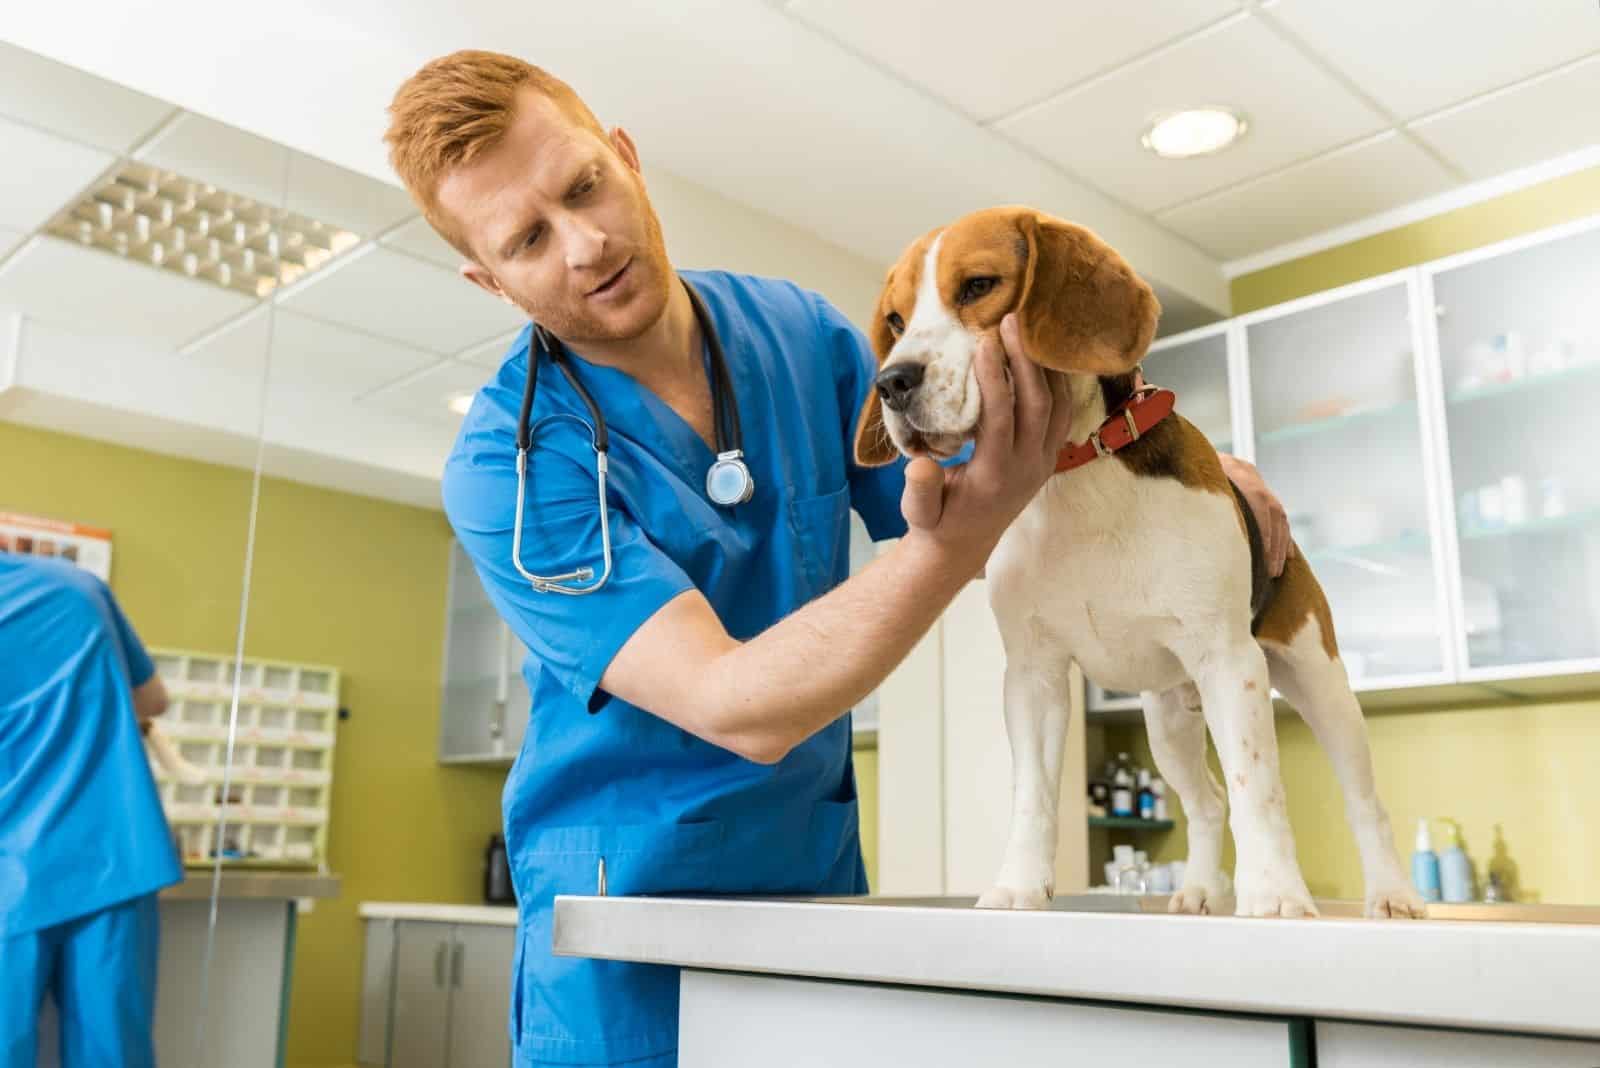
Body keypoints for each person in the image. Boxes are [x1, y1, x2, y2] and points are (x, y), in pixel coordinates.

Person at [384, 51, 1290, 1068]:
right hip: (618, 916)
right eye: (528, 239)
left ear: (626, 158)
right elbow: (738, 702)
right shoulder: (507, 469)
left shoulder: (802, 335)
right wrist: (957, 540)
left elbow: (1003, 473)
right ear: (489, 279)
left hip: (808, 879)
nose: (586, 241)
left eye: (584, 184)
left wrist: (1186, 483)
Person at [0, 554, 182, 1067]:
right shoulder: (79, 585)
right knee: (113, 1053)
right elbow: (153, 702)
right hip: (114, 856)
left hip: (11, 875)